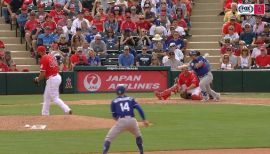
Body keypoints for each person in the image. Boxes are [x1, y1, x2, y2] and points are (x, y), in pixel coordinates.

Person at [102, 84, 149, 154]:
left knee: (108, 138)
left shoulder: (114, 101)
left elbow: (114, 116)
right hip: (132, 121)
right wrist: (144, 119)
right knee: (138, 135)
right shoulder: (131, 99)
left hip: (121, 121)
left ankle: (104, 153)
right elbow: (139, 109)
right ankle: (141, 152)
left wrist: (121, 122)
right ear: (124, 91)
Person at [34, 46, 72, 115]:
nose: (38, 53)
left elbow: (43, 73)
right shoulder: (51, 56)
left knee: (55, 98)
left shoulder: (44, 58)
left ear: (41, 52)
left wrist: (38, 79)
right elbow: (57, 67)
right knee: (46, 96)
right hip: (56, 76)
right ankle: (45, 113)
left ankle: (67, 109)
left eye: (38, 52)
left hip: (52, 78)